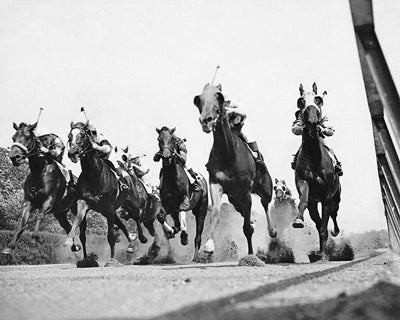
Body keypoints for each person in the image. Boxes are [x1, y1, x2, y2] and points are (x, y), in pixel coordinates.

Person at [291, 104, 343, 176]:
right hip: (307, 137)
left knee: (328, 147)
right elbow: (295, 129)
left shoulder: (321, 114)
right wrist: (303, 128)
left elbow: (331, 131)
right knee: (301, 149)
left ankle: (337, 164)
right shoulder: (301, 114)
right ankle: (295, 161)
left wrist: (323, 129)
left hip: (319, 137)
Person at [224, 101, 267, 171]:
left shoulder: (231, 103)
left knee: (246, 135)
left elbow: (244, 113)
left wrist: (231, 111)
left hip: (239, 126)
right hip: (229, 129)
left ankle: (257, 157)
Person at [86, 123, 128, 191]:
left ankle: (122, 183)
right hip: (98, 158)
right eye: (88, 133)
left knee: (114, 164)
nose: (90, 135)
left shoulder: (101, 138)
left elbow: (107, 149)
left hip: (108, 155)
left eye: (91, 133)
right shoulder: (89, 140)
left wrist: (97, 147)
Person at [35, 127, 76, 193]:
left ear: (49, 136)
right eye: (41, 140)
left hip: (59, 157)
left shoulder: (56, 140)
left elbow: (57, 152)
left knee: (65, 164)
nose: (44, 142)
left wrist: (47, 151)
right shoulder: (38, 143)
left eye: (45, 139)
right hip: (47, 159)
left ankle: (71, 184)